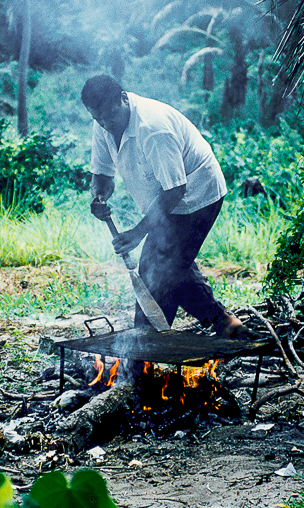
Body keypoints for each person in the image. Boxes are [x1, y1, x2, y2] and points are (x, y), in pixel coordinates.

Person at [81, 74, 249, 338]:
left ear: (123, 99)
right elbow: (102, 174)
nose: (105, 124)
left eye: (109, 117)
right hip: (165, 198)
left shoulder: (153, 128)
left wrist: (137, 234)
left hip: (197, 195)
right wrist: (99, 197)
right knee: (173, 268)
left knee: (157, 272)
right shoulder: (103, 123)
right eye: (97, 118)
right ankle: (227, 325)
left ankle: (145, 347)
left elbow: (175, 190)